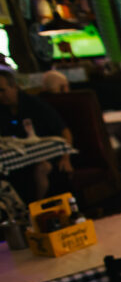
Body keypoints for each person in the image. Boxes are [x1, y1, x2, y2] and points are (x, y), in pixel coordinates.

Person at [0, 68, 73, 201]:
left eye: (2, 90)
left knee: (42, 168)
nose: (0, 96)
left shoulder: (34, 104)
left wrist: (65, 158)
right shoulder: (3, 110)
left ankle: (35, 208)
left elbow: (64, 130)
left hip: (48, 155)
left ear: (14, 87)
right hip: (20, 160)